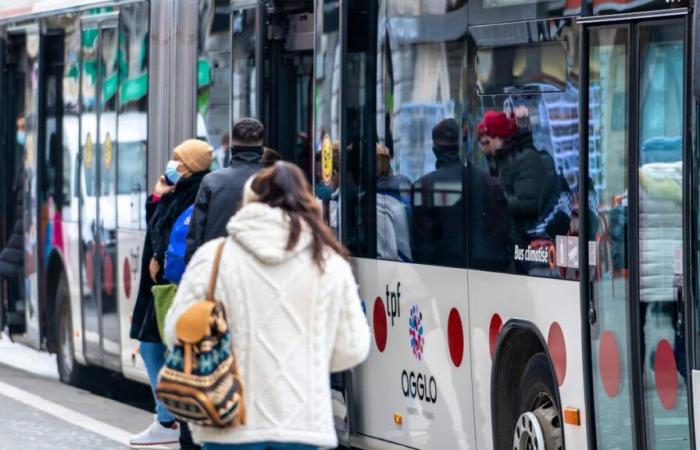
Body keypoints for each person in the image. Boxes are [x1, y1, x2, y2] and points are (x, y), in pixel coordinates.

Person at [164, 162, 370, 450]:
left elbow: (175, 331)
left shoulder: (213, 257)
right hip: (301, 425)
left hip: (229, 422)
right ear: (307, 203)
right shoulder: (329, 263)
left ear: (247, 203)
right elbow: (352, 349)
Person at [129, 139, 213, 449]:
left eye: (177, 159)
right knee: (155, 346)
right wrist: (157, 197)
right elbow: (157, 227)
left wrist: (159, 200)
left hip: (172, 285)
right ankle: (168, 418)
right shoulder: (179, 190)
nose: (172, 164)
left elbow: (166, 235)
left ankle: (169, 420)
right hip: (162, 284)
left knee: (154, 348)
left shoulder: (196, 192)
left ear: (190, 165)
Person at [186, 118, 265, 263]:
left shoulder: (211, 181)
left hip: (217, 267)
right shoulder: (276, 182)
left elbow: (195, 234)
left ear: (232, 147)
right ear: (261, 149)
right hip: (261, 270)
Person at [477, 110, 560, 248]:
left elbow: (531, 203)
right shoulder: (500, 161)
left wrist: (496, 201)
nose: (483, 149)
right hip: (514, 240)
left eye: (487, 143)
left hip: (528, 244)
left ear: (500, 138)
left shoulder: (525, 158)